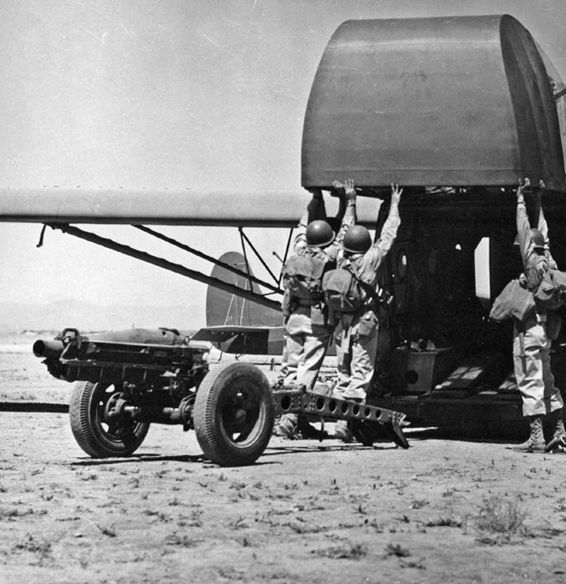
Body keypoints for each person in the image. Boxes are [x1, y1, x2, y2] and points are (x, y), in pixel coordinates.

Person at [274, 182, 356, 438]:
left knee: (289, 368)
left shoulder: (300, 247)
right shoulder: (330, 254)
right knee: (307, 370)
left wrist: (316, 197)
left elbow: (302, 225)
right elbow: (346, 231)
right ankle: (289, 420)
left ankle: (282, 417)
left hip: (294, 317)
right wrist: (350, 202)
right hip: (317, 320)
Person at [331, 183, 403, 441]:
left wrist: (350, 201)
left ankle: (340, 422)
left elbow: (344, 230)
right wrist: (394, 203)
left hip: (342, 326)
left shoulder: (340, 258)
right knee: (360, 376)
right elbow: (388, 235)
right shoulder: (370, 260)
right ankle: (348, 424)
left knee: (343, 375)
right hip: (365, 323)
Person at [513, 178, 565, 452]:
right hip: (547, 332)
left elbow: (525, 231)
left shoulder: (532, 262)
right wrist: (539, 202)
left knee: (529, 380)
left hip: (529, 331)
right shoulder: (550, 261)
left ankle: (536, 437)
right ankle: (559, 431)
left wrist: (521, 200)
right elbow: (540, 231)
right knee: (547, 380)